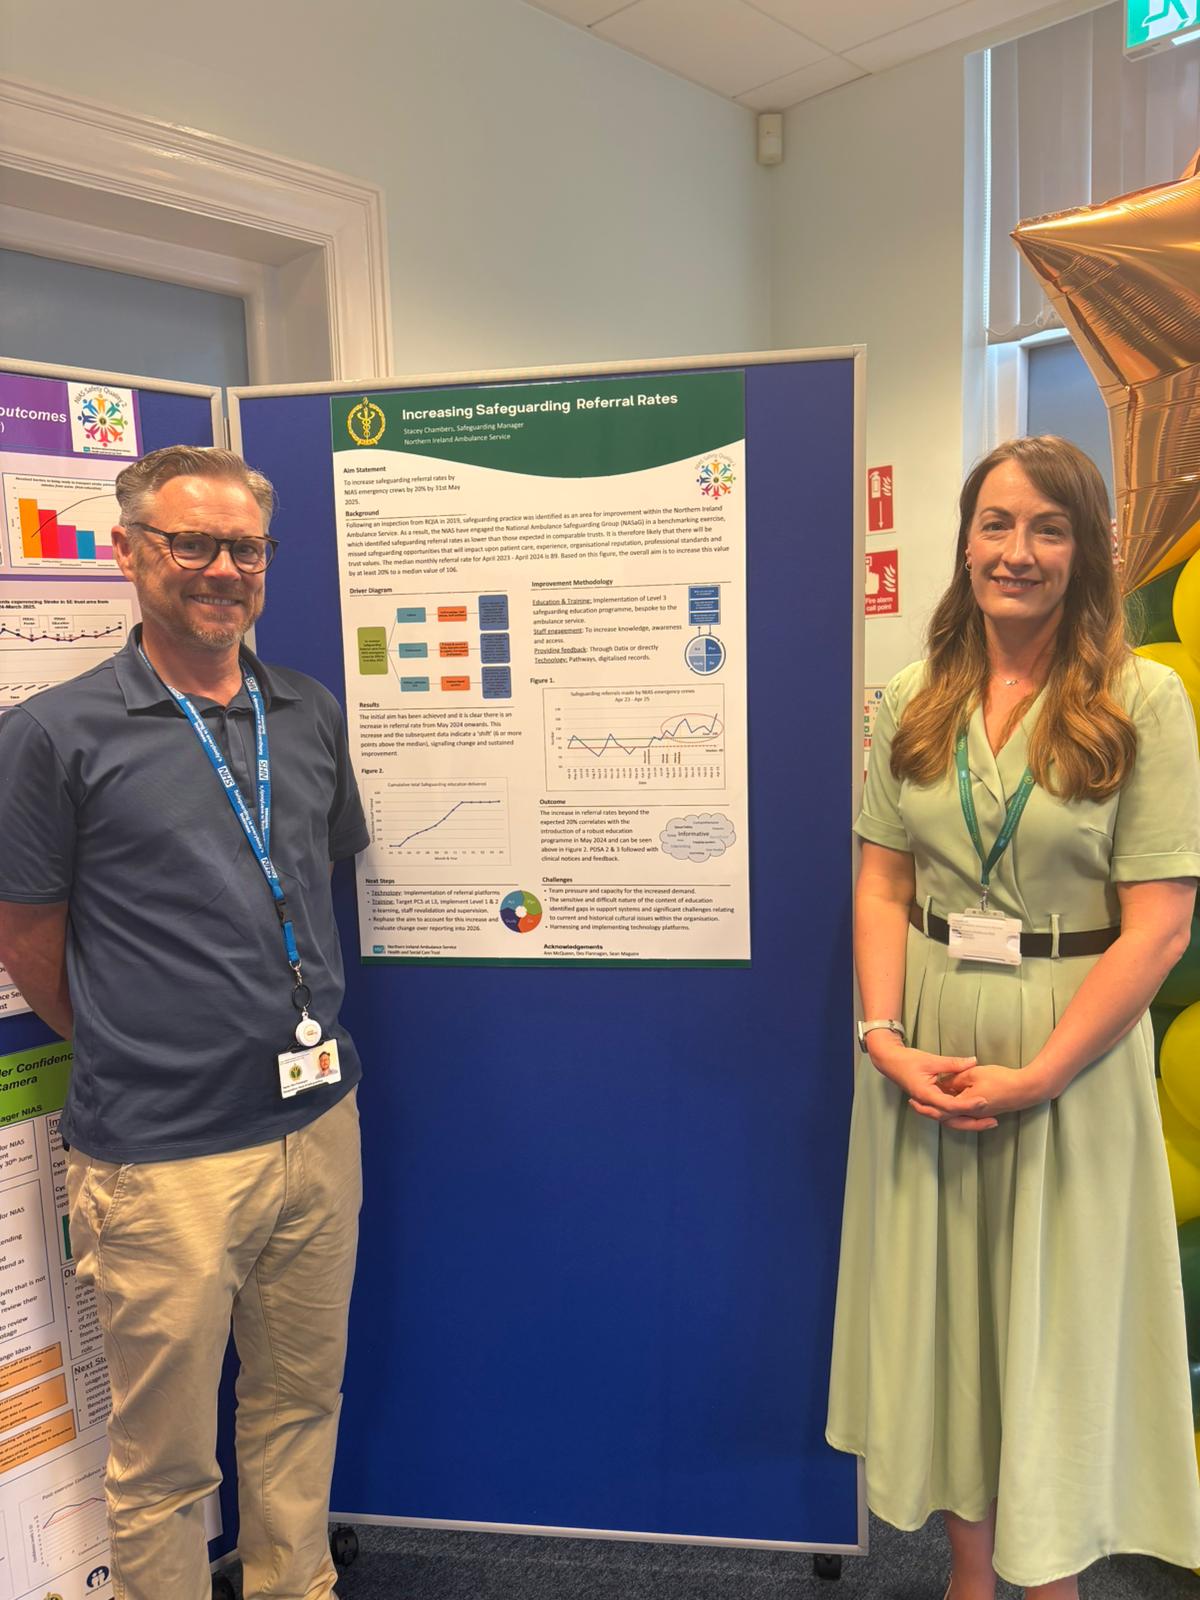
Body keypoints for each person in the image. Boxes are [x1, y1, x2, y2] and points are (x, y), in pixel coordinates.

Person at [828, 436, 1200, 1597]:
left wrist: (1040, 1074)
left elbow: (1160, 928)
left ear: (1086, 549)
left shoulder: (1144, 700)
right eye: (996, 523)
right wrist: (883, 1038)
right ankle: (969, 1576)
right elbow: (882, 883)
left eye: (1048, 527)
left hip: (1070, 1050)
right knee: (950, 1326)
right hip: (927, 1043)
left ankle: (1053, 1581)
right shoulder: (913, 697)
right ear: (966, 540)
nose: (1017, 551)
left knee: (1056, 1330)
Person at [0, 446, 369, 1600]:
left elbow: (314, 875)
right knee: (163, 1462)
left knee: (300, 1402)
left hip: (318, 1123)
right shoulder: (54, 733)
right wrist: (135, 1038)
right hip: (161, 1153)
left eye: (244, 547)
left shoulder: (306, 710)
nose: (221, 569)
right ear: (128, 552)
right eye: (190, 543)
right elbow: (28, 936)